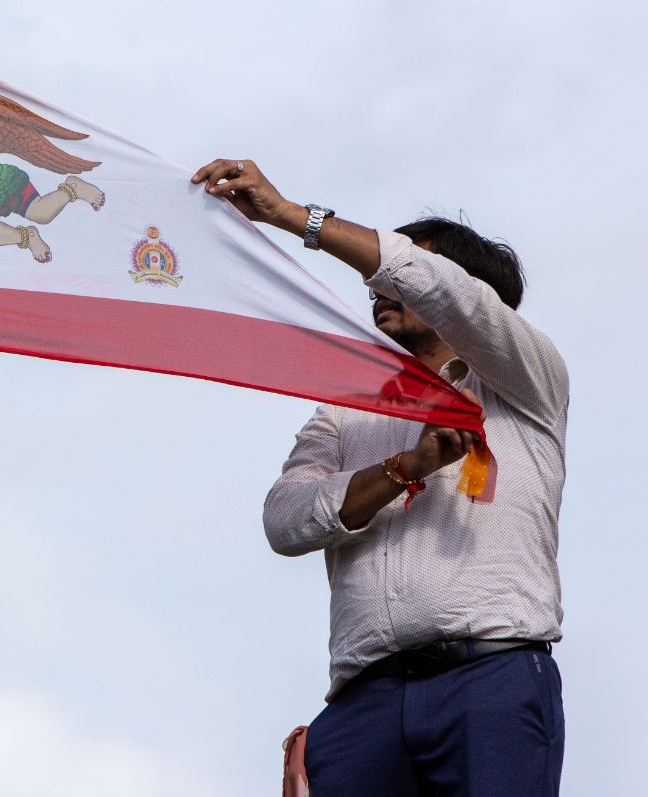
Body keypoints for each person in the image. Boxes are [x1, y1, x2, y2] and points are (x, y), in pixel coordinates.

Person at [191, 158, 569, 797]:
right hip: (364, 705)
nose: (378, 286)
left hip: (491, 679)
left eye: (399, 274)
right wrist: (406, 468)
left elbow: (438, 286)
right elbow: (284, 521)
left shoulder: (527, 379)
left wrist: (291, 217)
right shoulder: (346, 408)